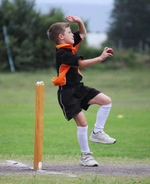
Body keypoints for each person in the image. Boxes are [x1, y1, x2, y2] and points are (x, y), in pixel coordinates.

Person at [47, 15, 116, 167]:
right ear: (61, 36)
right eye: (69, 32)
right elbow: (81, 64)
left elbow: (83, 34)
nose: (73, 34)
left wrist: (79, 22)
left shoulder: (69, 47)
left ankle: (97, 133)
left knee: (106, 101)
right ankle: (86, 156)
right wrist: (100, 58)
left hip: (79, 88)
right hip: (67, 93)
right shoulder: (62, 53)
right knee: (83, 124)